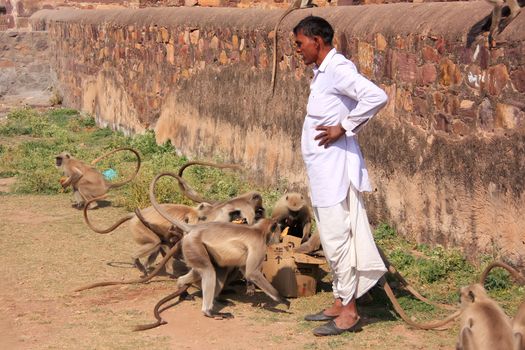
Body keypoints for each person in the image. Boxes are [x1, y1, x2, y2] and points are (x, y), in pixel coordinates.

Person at [293, 16, 389, 336]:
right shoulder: (322, 73)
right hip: (322, 171)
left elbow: (376, 96)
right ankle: (339, 299)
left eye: (300, 43)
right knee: (332, 238)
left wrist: (343, 128)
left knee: (338, 239)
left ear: (317, 42)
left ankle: (349, 312)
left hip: (335, 170)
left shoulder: (338, 69)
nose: (298, 50)